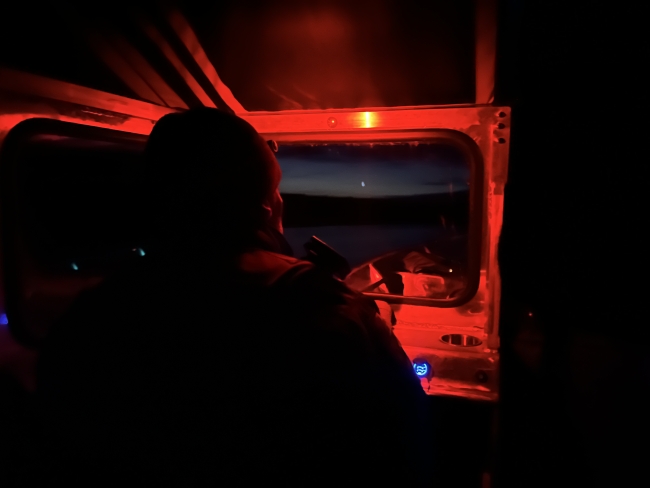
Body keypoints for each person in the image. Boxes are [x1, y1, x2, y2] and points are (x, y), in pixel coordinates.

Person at [37, 108, 431, 485]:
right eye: (275, 190)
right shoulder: (327, 308)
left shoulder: (90, 317)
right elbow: (408, 447)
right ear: (264, 209)